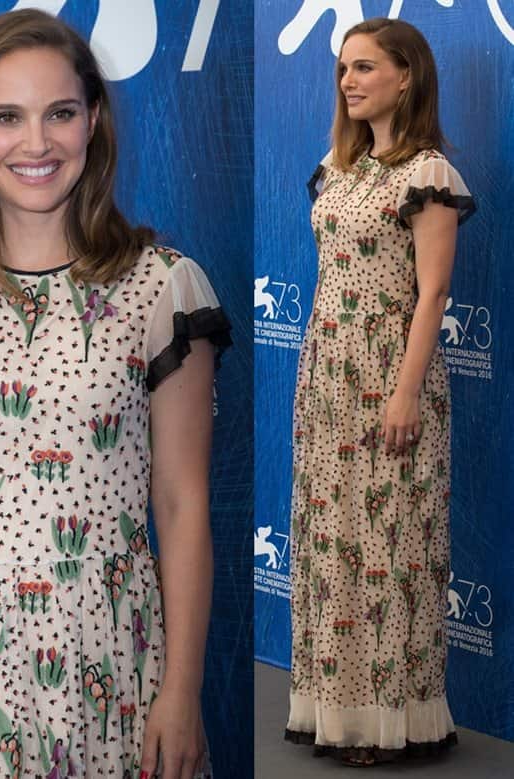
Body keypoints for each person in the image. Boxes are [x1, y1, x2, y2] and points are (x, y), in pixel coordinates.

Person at [0, 9, 231, 779]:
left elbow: (183, 504)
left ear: (93, 120)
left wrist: (181, 691)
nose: (37, 143)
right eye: (6, 118)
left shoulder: (162, 288)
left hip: (112, 668)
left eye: (60, 112)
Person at [285, 18, 475, 766]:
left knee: (390, 547)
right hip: (327, 374)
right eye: (342, 69)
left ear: (407, 75)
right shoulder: (338, 165)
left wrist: (403, 396)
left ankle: (391, 719)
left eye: (364, 67)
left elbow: (432, 295)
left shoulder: (426, 173)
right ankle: (337, 713)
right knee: (333, 546)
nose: (349, 81)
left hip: (393, 376)